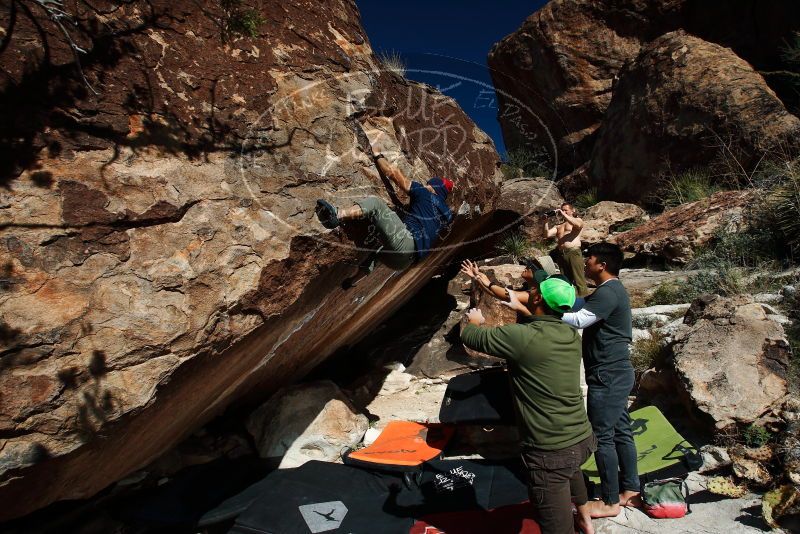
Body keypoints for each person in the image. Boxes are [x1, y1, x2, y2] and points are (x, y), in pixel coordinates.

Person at [460, 270, 596, 534]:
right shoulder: (569, 334)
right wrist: (519, 306)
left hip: (549, 449)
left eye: (536, 291)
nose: (532, 290)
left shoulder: (521, 337)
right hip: (582, 437)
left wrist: (475, 319)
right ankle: (587, 520)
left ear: (539, 301)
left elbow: (471, 337)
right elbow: (541, 325)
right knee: (572, 470)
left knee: (556, 525)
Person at [561, 242, 639, 518]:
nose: (586, 262)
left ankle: (609, 502)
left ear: (602, 265)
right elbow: (578, 302)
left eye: (589, 258)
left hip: (607, 375)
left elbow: (580, 319)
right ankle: (630, 489)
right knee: (621, 431)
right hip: (615, 373)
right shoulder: (608, 291)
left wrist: (542, 314)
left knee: (603, 437)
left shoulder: (608, 293)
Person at [315, 154, 453, 282]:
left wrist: (378, 155)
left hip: (406, 242)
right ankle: (353, 280)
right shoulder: (446, 215)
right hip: (403, 263)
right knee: (377, 251)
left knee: (376, 204)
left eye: (428, 184)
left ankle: (337, 215)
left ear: (434, 188)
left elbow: (393, 174)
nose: (425, 185)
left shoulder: (425, 194)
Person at [544, 203, 588, 297]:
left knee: (579, 279)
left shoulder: (577, 220)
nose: (563, 212)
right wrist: (545, 222)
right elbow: (547, 234)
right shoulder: (559, 226)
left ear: (573, 210)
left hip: (573, 252)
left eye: (566, 210)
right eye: (562, 210)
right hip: (561, 254)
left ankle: (584, 302)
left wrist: (562, 213)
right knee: (565, 281)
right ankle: (568, 302)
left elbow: (578, 225)